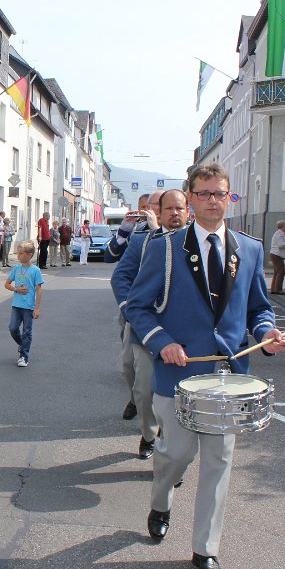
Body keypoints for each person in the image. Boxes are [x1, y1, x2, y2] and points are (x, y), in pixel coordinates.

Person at [127, 163, 285, 569]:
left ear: (230, 197)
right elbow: (138, 307)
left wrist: (266, 333)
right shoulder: (165, 249)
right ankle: (161, 500)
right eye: (204, 194)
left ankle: (205, 549)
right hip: (178, 374)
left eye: (221, 193)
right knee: (174, 456)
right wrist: (162, 342)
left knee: (218, 462)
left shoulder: (249, 249)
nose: (213, 201)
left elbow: (258, 308)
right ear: (191, 198)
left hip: (227, 378)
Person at [111, 189, 190, 460]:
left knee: (178, 393)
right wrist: (130, 312)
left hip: (183, 333)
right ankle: (149, 433)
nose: (173, 213)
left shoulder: (197, 242)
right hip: (145, 326)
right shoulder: (142, 240)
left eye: (179, 208)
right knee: (142, 389)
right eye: (165, 207)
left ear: (187, 211)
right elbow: (120, 277)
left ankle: (170, 445)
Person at [5, 240, 44, 367]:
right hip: (16, 305)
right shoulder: (16, 269)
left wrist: (37, 308)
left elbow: (39, 290)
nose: (18, 256)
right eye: (18, 253)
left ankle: (24, 356)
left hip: (28, 307)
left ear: (30, 255)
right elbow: (7, 284)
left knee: (27, 331)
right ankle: (22, 344)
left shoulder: (35, 270)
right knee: (12, 328)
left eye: (21, 253)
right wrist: (15, 289)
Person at [107, 191, 161, 263]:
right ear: (138, 209)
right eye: (143, 207)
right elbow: (109, 258)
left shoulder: (162, 227)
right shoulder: (134, 229)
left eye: (149, 207)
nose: (146, 210)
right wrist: (122, 232)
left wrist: (155, 229)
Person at [268, 220, 285, 295]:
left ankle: (273, 289)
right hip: (277, 255)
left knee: (277, 272)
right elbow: (280, 245)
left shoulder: (281, 233)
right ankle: (278, 289)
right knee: (281, 272)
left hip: (275, 254)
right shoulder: (279, 234)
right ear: (283, 226)